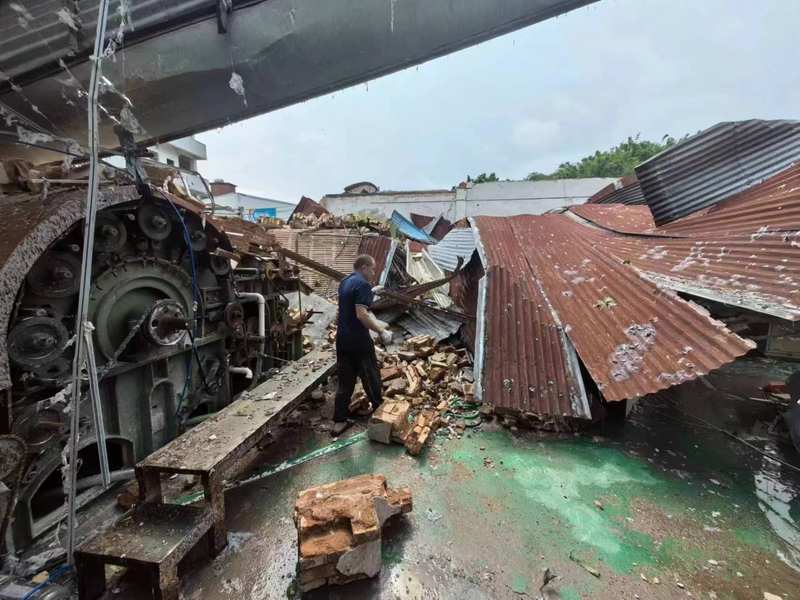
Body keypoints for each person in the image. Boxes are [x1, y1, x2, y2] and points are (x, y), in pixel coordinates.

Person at [332, 254, 392, 436]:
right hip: (358, 341)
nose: (373, 272)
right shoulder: (363, 285)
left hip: (342, 340)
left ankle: (339, 422)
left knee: (345, 382)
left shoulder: (346, 281)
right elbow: (361, 314)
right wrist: (381, 331)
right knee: (371, 377)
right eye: (372, 269)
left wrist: (371, 293)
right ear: (364, 267)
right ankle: (380, 414)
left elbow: (348, 306)